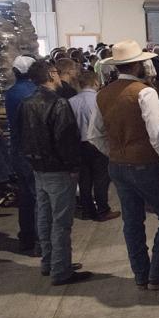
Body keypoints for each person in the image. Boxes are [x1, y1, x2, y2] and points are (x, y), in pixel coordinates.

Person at [87, 40, 159, 291]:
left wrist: (114, 152)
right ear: (137, 65)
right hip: (145, 164)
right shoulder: (144, 92)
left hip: (118, 165)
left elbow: (94, 134)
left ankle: (142, 274)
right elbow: (158, 134)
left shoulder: (103, 94)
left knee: (132, 222)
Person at [19, 60, 91, 285]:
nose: (60, 77)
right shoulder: (58, 103)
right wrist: (73, 167)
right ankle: (61, 270)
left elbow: (23, 136)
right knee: (61, 222)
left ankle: (50, 262)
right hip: (58, 170)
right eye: (57, 73)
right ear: (51, 74)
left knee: (45, 216)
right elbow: (65, 139)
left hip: (38, 168)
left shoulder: (27, 103)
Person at [68, 72, 120, 222]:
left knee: (84, 179)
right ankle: (103, 210)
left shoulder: (71, 101)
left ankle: (87, 210)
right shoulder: (100, 99)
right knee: (101, 178)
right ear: (96, 82)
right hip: (97, 143)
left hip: (79, 144)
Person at [5, 55, 38, 253]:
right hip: (32, 151)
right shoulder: (33, 93)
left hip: (17, 150)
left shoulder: (11, 93)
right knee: (38, 198)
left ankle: (26, 237)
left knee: (26, 197)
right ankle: (39, 242)